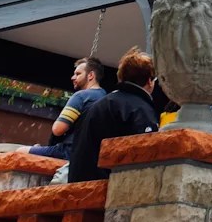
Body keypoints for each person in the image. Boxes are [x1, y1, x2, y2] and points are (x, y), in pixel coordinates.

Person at [68, 48, 160, 183]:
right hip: (109, 187)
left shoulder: (100, 104)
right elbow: (145, 155)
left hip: (81, 185)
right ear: (150, 81)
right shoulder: (140, 109)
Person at [29, 57, 108, 160]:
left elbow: (57, 129)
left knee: (20, 151)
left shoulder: (81, 96)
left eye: (78, 74)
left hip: (69, 152)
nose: (73, 77)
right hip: (93, 156)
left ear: (91, 75)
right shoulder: (106, 99)